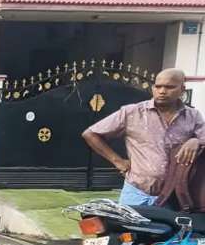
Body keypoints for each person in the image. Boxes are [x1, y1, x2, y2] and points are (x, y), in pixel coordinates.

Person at [82, 68, 205, 207]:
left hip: (174, 195)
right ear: (153, 88)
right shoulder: (132, 112)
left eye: (169, 87)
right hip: (136, 192)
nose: (162, 91)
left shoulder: (192, 116)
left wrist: (195, 141)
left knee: (170, 229)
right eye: (158, 86)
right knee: (127, 228)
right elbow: (90, 134)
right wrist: (117, 161)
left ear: (182, 89)